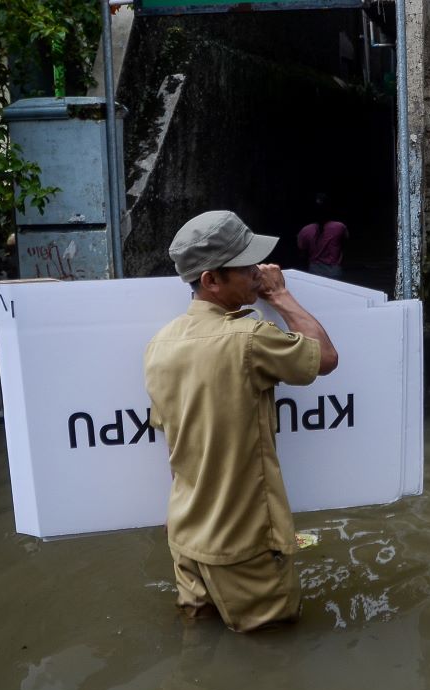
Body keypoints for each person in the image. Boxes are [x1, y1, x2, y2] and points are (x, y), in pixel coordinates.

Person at [144, 210, 339, 632]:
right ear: (211, 280)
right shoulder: (248, 338)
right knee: (274, 660)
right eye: (247, 267)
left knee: (201, 647)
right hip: (244, 546)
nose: (258, 273)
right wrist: (281, 297)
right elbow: (325, 358)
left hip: (186, 538)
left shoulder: (159, 344)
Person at [296, 192, 349, 278]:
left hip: (314, 271)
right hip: (334, 271)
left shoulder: (305, 230)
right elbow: (344, 246)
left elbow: (302, 254)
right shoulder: (340, 227)